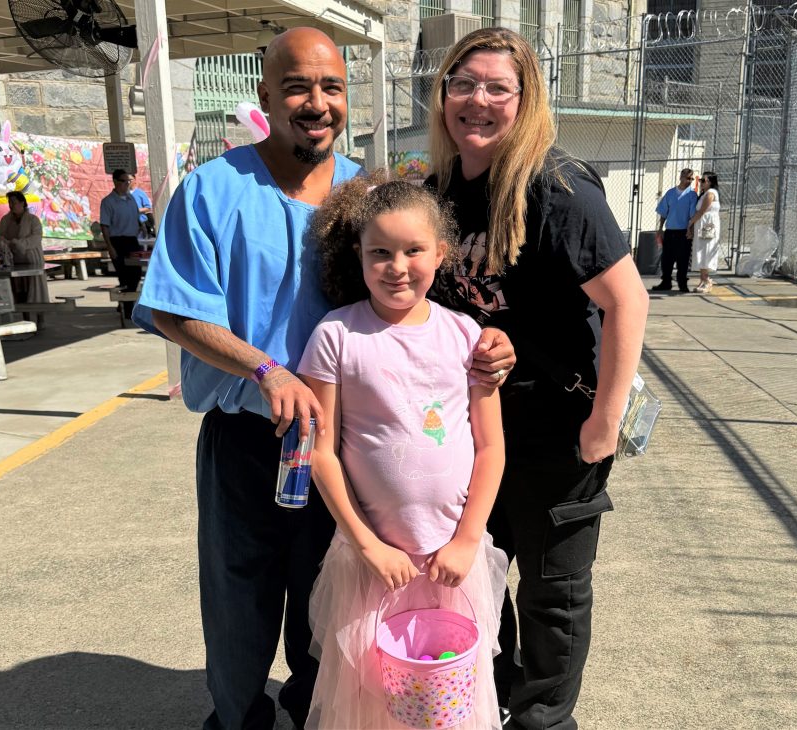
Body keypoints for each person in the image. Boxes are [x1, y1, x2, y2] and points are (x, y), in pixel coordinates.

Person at [131, 28, 516, 730]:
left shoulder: (369, 192)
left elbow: (426, 290)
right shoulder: (213, 190)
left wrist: (491, 340)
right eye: (297, 87)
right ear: (265, 96)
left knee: (335, 614)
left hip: (351, 451)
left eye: (332, 87)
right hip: (249, 439)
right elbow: (172, 310)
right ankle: (239, 719)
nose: (316, 103)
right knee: (240, 603)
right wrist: (264, 368)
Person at [426, 28, 649, 730]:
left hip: (555, 434)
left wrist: (604, 423)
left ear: (525, 101)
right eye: (464, 83)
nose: (478, 100)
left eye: (498, 87)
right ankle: (486, 703)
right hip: (471, 435)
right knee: (476, 580)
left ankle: (543, 721)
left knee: (552, 593)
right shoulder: (437, 191)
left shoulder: (557, 189)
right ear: (443, 95)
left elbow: (627, 301)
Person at [299, 177, 508, 729]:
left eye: (414, 250)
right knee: (372, 702)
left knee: (448, 701)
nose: (397, 267)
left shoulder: (466, 335)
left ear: (441, 253)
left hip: (452, 563)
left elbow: (491, 447)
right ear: (359, 254)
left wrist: (466, 542)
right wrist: (367, 545)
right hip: (371, 566)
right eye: (380, 253)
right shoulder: (335, 336)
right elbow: (321, 452)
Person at [0, 191, 49, 319]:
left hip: (31, 259)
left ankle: (40, 318)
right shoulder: (6, 220)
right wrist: (6, 244)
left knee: (35, 290)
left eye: (14, 202)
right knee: (20, 290)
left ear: (22, 203)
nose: (11, 205)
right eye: (10, 203)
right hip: (14, 261)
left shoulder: (33, 220)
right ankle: (26, 318)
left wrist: (19, 243)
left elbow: (36, 237)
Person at [99, 169, 142, 317]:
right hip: (117, 241)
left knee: (136, 274)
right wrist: (110, 247)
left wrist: (142, 226)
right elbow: (104, 225)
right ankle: (127, 309)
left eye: (129, 181)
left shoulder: (131, 199)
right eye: (124, 181)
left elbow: (136, 217)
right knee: (125, 276)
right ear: (116, 182)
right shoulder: (108, 202)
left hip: (132, 240)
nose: (127, 184)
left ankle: (125, 303)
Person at [652, 167, 698, 293]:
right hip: (670, 231)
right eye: (687, 178)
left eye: (691, 179)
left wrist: (690, 230)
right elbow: (664, 212)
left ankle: (682, 283)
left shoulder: (692, 195)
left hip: (683, 232)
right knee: (667, 259)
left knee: (683, 259)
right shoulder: (670, 193)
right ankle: (666, 282)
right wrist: (660, 228)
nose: (689, 181)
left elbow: (693, 215)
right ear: (681, 177)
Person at [687, 171, 721, 293]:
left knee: (706, 252)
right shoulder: (704, 194)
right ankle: (703, 280)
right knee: (700, 251)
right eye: (700, 180)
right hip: (702, 227)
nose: (701, 182)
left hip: (707, 227)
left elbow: (702, 211)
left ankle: (707, 280)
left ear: (710, 182)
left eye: (703, 181)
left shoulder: (711, 193)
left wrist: (690, 223)